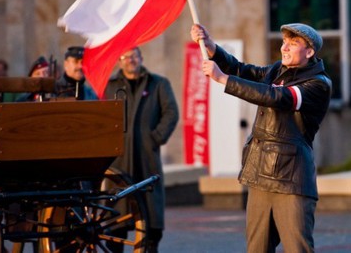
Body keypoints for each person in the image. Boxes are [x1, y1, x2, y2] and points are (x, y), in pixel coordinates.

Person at [191, 22, 332, 253]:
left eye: (293, 43)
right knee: (257, 248)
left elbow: (277, 97)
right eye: (284, 42)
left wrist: (223, 79)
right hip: (259, 174)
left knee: (298, 248)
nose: (285, 48)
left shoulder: (319, 84)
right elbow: (241, 69)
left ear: (310, 52)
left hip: (292, 179)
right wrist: (211, 47)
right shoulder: (277, 70)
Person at [104, 47, 179, 252]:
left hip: (147, 157)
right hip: (118, 160)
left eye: (134, 56)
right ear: (119, 61)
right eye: (125, 57)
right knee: (116, 215)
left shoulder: (158, 84)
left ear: (141, 58)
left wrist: (154, 138)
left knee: (150, 213)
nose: (131, 60)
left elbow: (171, 112)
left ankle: (149, 246)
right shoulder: (109, 87)